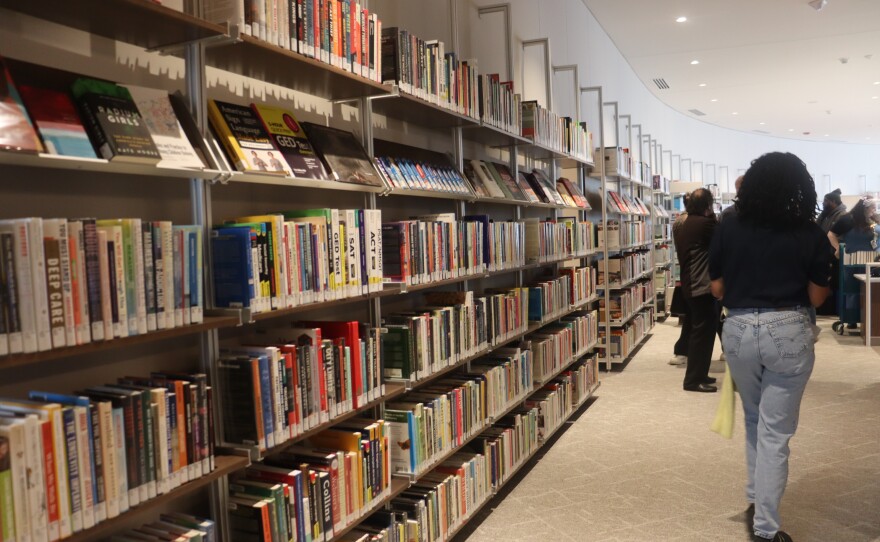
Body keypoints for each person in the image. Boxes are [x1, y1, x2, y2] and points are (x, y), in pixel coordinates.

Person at [709, 152, 831, 542]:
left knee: (752, 418)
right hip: (790, 328)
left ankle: (754, 497)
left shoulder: (728, 225)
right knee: (775, 431)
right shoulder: (809, 232)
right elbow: (816, 298)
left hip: (739, 328)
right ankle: (765, 527)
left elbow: (717, 287)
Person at [672, 188, 718, 392]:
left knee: (700, 331)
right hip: (701, 284)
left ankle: (700, 374)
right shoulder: (706, 224)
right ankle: (693, 380)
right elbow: (721, 242)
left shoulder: (683, 223)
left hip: (690, 283)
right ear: (708, 205)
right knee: (703, 333)